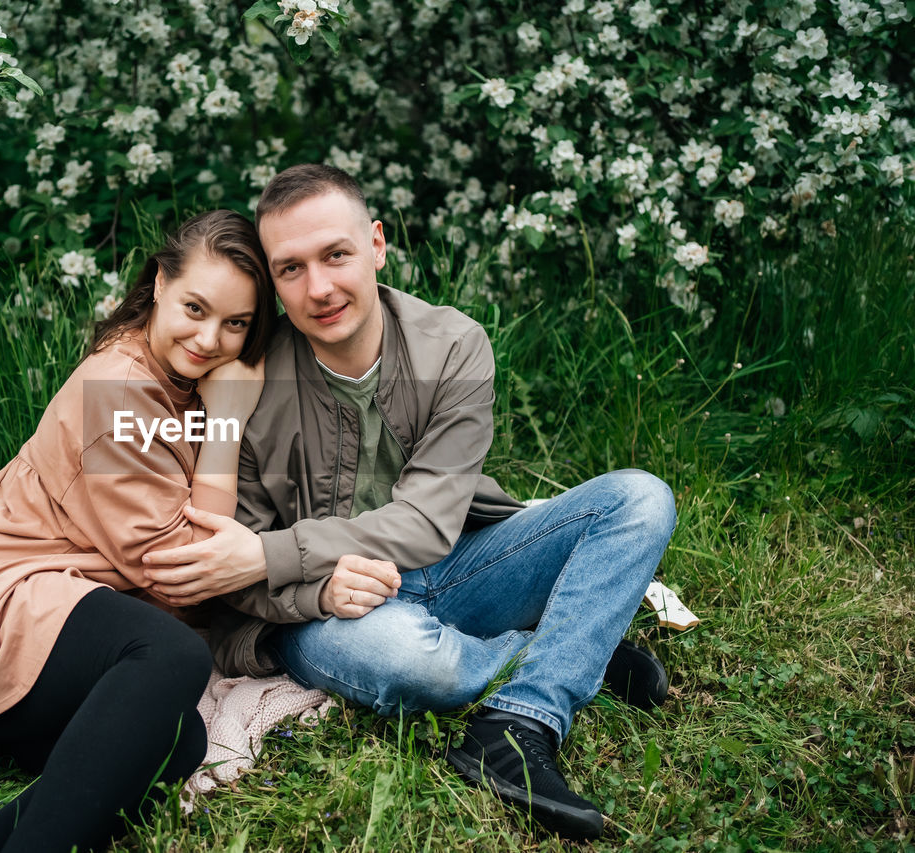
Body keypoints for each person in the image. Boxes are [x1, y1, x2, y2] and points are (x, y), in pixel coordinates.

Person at [140, 165, 677, 841]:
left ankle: (518, 724)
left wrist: (274, 551)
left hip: (455, 566)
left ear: (376, 245)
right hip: (327, 613)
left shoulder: (452, 344)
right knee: (416, 664)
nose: (320, 287)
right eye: (291, 269)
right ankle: (570, 650)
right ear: (274, 283)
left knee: (639, 498)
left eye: (336, 254)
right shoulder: (246, 377)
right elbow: (229, 566)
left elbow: (424, 523)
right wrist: (315, 590)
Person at [0, 210, 276, 853]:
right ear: (158, 286)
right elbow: (188, 576)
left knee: (175, 741)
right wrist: (227, 423)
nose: (209, 339)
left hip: (44, 605)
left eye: (235, 324)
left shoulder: (177, 379)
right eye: (195, 308)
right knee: (172, 655)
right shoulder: (120, 388)